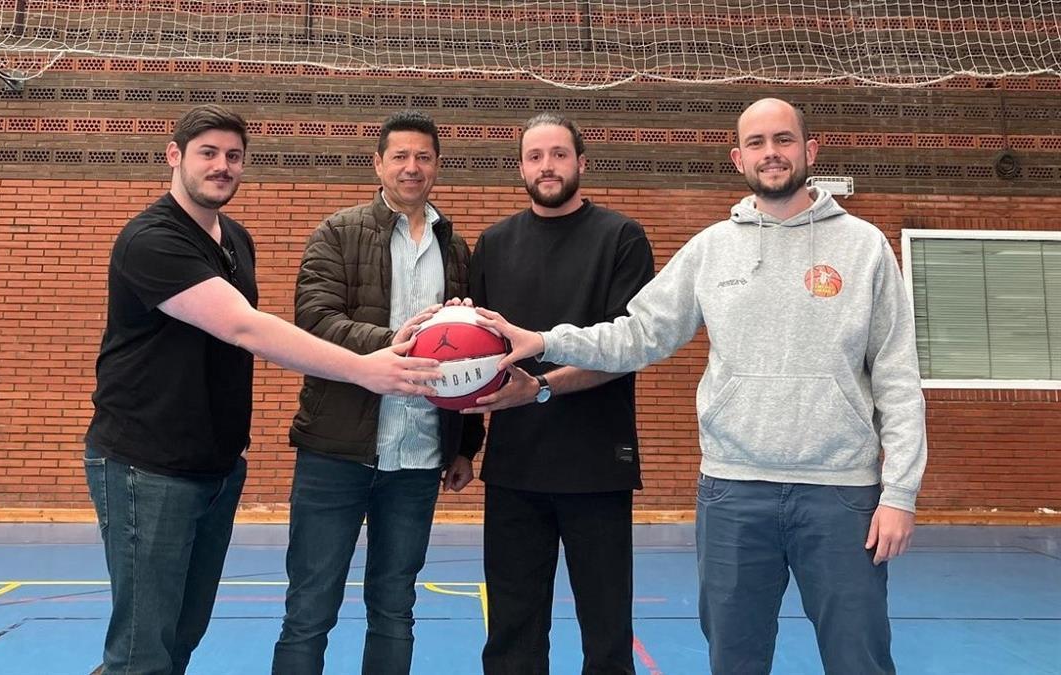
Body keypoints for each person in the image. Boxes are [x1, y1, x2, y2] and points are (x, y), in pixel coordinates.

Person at [481, 98, 927, 675]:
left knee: (858, 659)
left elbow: (896, 375)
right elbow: (637, 335)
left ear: (809, 151)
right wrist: (544, 342)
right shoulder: (713, 248)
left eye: (784, 140)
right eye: (758, 143)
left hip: (840, 494)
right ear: (737, 157)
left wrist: (900, 494)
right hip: (734, 492)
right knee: (733, 661)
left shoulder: (864, 246)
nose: (772, 154)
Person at [83, 104, 442, 675]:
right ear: (174, 157)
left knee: (178, 636)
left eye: (233, 156)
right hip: (145, 465)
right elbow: (243, 326)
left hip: (215, 466)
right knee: (141, 650)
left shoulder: (235, 239)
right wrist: (363, 367)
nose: (222, 166)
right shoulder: (151, 239)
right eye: (208, 153)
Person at [271, 110, 484, 675]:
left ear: (436, 167)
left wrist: (466, 443)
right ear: (378, 164)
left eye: (423, 158)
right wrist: (397, 340)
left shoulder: (455, 248)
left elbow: (472, 357)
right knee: (309, 609)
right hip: (335, 451)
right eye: (400, 157)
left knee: (395, 608)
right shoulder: (337, 232)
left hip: (417, 458)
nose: (412, 168)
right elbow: (313, 320)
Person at [465, 113, 655, 674]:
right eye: (535, 156)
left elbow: (627, 349)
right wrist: (462, 446)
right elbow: (479, 357)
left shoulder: (621, 238)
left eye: (558, 155)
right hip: (515, 468)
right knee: (512, 630)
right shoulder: (495, 244)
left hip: (596, 466)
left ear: (581, 163)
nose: (547, 166)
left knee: (606, 629)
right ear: (521, 167)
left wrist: (540, 388)